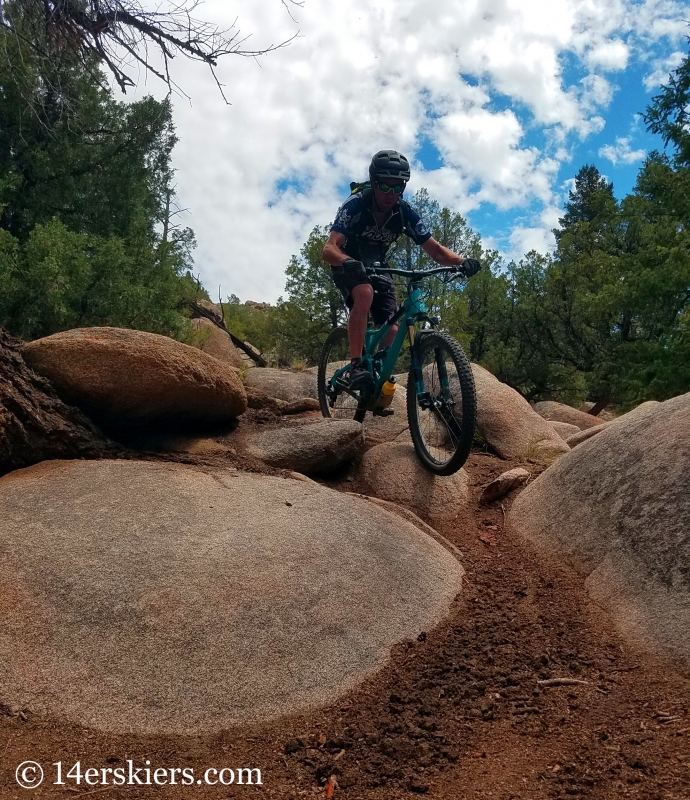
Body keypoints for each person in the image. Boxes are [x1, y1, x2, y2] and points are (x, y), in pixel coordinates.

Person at [322, 149, 481, 389]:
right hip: (347, 261)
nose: (391, 194)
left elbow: (435, 250)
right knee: (364, 293)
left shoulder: (404, 212)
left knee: (392, 328)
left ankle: (378, 376)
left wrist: (461, 261)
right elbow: (329, 249)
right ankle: (356, 366)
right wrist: (346, 261)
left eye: (398, 188)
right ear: (374, 183)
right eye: (385, 187)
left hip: (377, 265)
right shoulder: (355, 205)